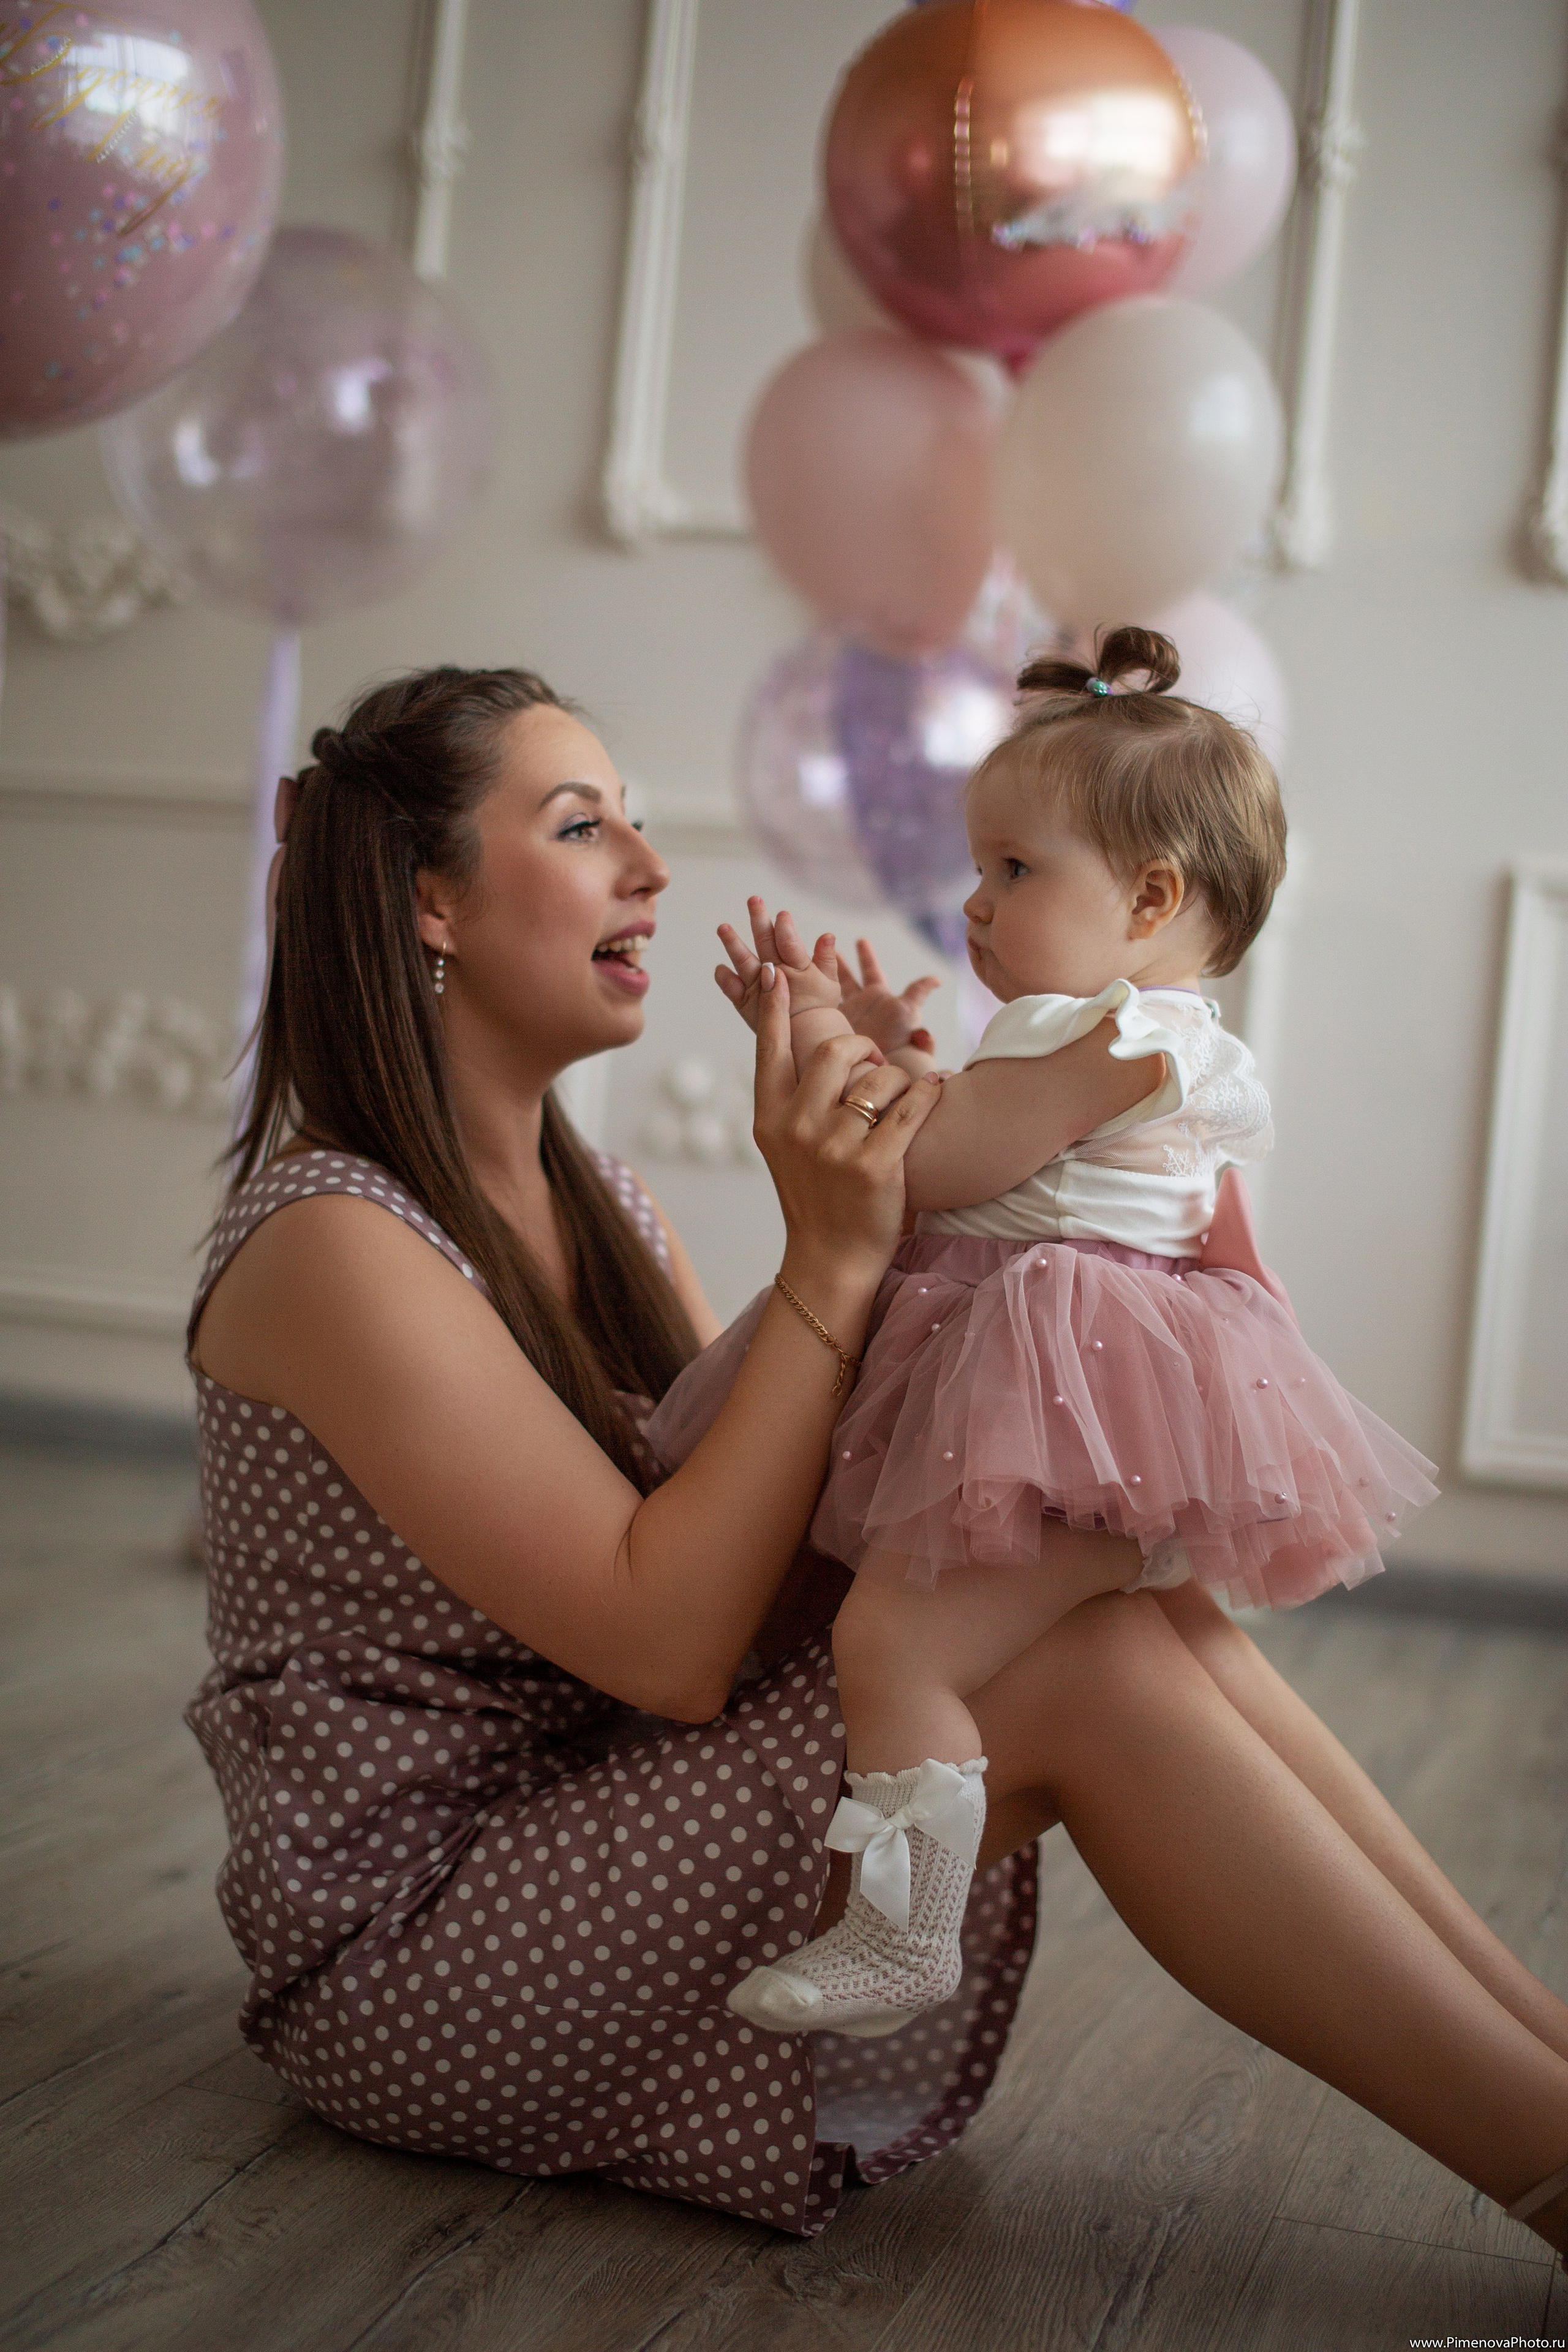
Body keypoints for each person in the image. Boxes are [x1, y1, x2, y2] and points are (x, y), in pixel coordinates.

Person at [186, 660, 1568, 2250]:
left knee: (1121, 1615)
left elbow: (777, 1552)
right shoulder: (338, 1245)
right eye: (584, 828)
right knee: (1081, 1667)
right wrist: (854, 1234)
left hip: (593, 1808)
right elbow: (675, 1648)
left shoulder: (607, 1210)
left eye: (637, 821)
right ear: (430, 904)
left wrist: (910, 1180)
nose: (650, 864)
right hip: (420, 1943)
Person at [658, 625, 1439, 2046]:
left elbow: (940, 1169)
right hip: (1076, 1417)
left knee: (893, 1646)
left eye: (1014, 872)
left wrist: (835, 1051)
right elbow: (980, 1150)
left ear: (1149, 897)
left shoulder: (1119, 1039)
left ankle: (899, 1934)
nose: (972, 903)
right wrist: (902, 1066)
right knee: (933, 1636)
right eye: (978, 868)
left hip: (1077, 1426)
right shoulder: (1098, 1032)